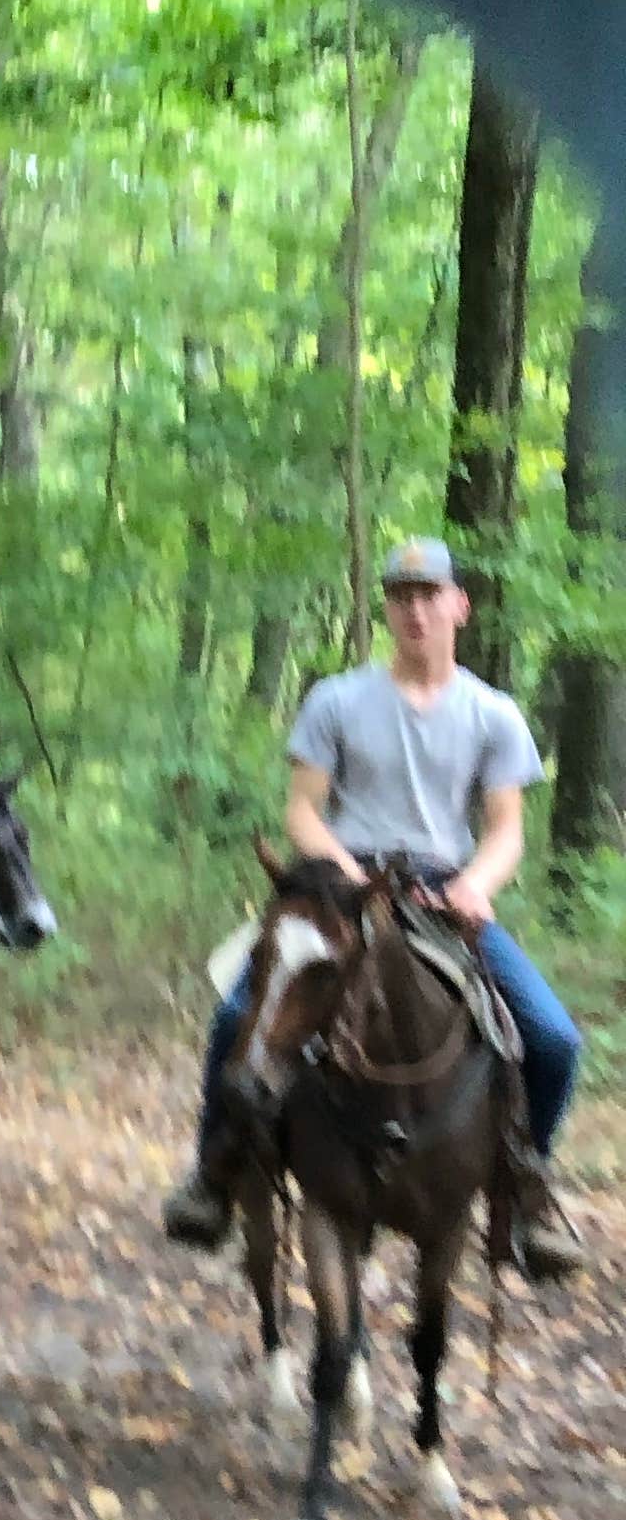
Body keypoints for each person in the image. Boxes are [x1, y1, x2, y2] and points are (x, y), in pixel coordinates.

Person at [161, 538, 583, 1279]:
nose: (415, 609)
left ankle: (525, 1189)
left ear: (460, 605)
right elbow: (302, 811)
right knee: (236, 1017)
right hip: (339, 885)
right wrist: (350, 878)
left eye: (429, 595)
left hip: (442, 895)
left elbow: (506, 828)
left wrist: (477, 884)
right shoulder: (337, 700)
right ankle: (213, 1176)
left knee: (552, 1040)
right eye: (400, 596)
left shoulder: (492, 714)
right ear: (387, 608)